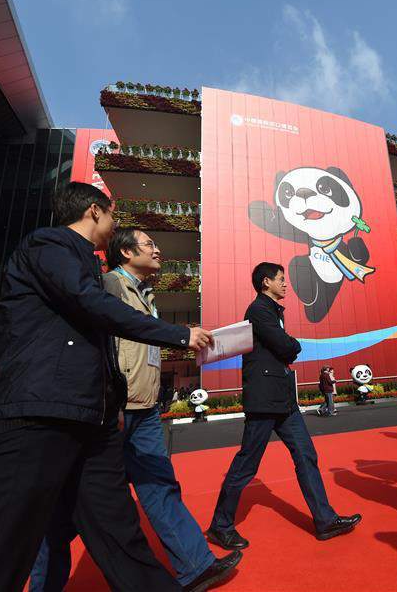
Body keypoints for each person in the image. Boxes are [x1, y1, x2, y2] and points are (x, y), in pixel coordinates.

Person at [0, 182, 214, 592]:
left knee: (118, 529)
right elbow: (89, 303)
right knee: (6, 541)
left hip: (91, 418)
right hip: (41, 412)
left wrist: (113, 403)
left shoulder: (83, 263)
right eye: (111, 214)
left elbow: (98, 339)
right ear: (94, 211)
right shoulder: (49, 245)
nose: (114, 224)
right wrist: (179, 334)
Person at [30, 227, 240, 592]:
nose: (158, 251)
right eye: (149, 244)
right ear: (126, 253)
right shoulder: (110, 285)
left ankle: (196, 566)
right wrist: (110, 398)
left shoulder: (145, 294)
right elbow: (99, 345)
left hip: (144, 408)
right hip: (117, 410)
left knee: (159, 484)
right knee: (73, 505)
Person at [207, 263, 361, 550]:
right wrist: (293, 345)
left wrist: (289, 346)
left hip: (283, 400)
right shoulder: (259, 310)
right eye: (280, 279)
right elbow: (285, 347)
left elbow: (285, 348)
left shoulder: (273, 311)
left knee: (306, 455)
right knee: (247, 464)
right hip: (264, 400)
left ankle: (325, 520)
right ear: (266, 282)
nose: (285, 284)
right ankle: (220, 526)